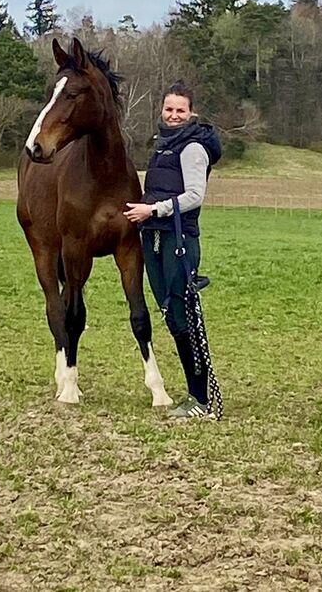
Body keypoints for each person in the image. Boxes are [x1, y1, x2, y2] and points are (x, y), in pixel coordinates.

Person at [124, 80, 222, 418]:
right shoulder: (163, 146)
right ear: (161, 111)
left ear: (191, 113)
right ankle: (196, 394)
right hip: (154, 237)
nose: (174, 115)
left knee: (184, 318)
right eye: (169, 109)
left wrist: (152, 210)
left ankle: (201, 399)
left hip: (178, 240)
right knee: (171, 315)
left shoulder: (192, 147)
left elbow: (194, 196)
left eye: (181, 110)